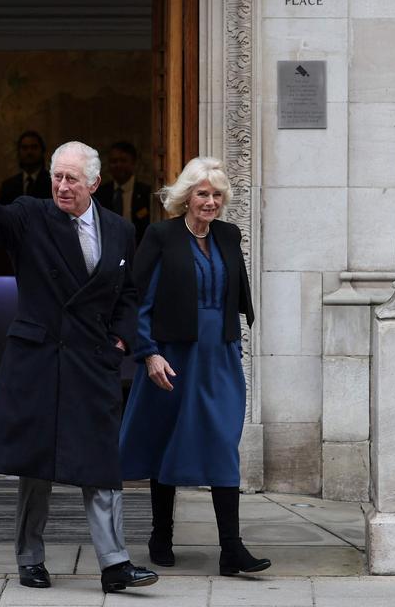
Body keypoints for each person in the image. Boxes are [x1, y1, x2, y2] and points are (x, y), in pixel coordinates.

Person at [0, 115, 158, 594]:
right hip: (40, 356)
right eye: (57, 177)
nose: (62, 186)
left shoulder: (121, 229)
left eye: (71, 179)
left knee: (101, 461)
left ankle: (115, 563)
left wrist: (122, 340)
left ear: (95, 183)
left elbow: (129, 293)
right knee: (36, 464)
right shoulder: (30, 216)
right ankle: (30, 557)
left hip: (92, 359)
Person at [118, 156, 270, 577]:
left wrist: (234, 344)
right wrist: (148, 353)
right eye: (203, 193)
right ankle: (161, 534)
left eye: (217, 195)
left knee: (223, 441)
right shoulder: (161, 236)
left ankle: (231, 548)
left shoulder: (228, 235)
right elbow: (140, 298)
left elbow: (231, 296)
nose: (210, 202)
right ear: (186, 197)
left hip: (218, 354)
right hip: (172, 353)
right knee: (164, 439)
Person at [94, 141, 152, 243]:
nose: (118, 165)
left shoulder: (146, 193)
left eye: (123, 160)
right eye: (114, 161)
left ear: (133, 163)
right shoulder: (100, 193)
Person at [0, 130, 52, 203]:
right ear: (18, 152)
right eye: (24, 148)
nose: (29, 152)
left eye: (34, 147)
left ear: (42, 151)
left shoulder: (52, 183)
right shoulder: (8, 186)